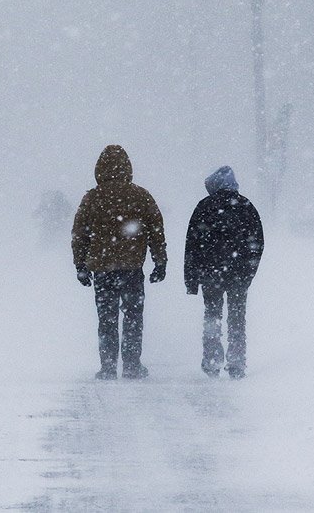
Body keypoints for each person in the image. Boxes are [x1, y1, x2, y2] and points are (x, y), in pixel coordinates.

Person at [72, 145, 167, 380]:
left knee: (107, 318)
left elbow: (79, 234)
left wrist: (81, 266)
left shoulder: (92, 198)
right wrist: (159, 262)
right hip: (132, 268)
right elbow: (156, 230)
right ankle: (132, 365)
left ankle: (108, 366)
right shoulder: (141, 196)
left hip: (103, 269)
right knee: (133, 316)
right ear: (127, 167)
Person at [184, 166, 264, 379]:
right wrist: (249, 272)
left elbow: (192, 245)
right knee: (237, 318)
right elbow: (257, 243)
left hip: (211, 274)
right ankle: (237, 363)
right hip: (239, 274)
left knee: (212, 316)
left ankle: (212, 362)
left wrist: (192, 280)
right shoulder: (246, 206)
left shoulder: (205, 206)